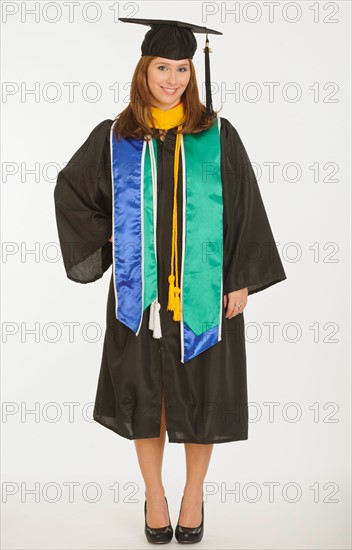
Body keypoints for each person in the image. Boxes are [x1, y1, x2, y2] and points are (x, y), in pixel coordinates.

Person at [54, 18, 287, 545]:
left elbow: (244, 207)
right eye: (163, 67)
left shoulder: (217, 135)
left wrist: (241, 277)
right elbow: (70, 193)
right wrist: (116, 240)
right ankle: (155, 494)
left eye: (183, 68)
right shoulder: (116, 137)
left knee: (202, 396)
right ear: (144, 70)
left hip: (203, 294)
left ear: (192, 72)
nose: (174, 78)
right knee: (147, 397)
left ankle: (193, 494)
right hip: (142, 297)